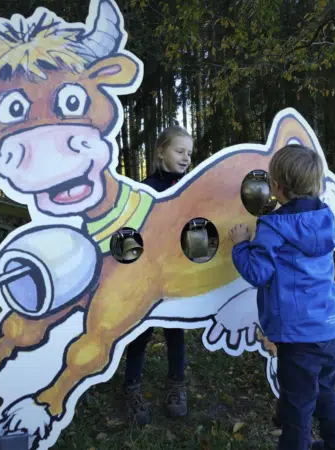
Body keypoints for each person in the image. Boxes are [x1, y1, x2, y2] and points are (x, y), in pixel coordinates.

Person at [229, 144, 335, 450]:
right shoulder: (325, 218)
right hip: (333, 327)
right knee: (324, 392)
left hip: (300, 338)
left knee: (298, 410)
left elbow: (258, 273)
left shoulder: (273, 226)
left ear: (276, 186)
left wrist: (241, 244)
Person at [123, 125, 193, 426]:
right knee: (141, 333)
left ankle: (177, 386)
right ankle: (131, 388)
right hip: (148, 279)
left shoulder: (192, 188)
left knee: (175, 332)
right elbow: (130, 234)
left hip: (178, 277)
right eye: (180, 151)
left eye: (189, 152)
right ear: (161, 151)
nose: (186, 157)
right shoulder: (144, 189)